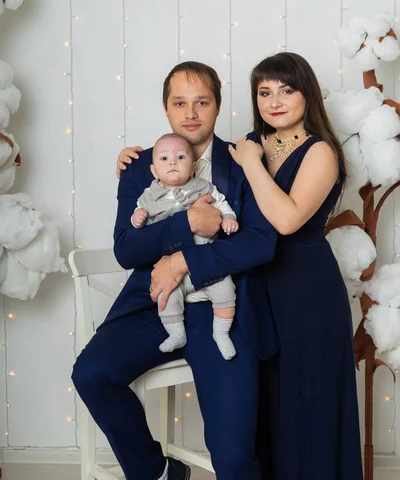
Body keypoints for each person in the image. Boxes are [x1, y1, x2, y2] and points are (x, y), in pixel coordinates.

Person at [72, 61, 279, 480]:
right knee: (91, 374)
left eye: (201, 101)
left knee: (235, 456)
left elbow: (260, 242)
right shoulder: (140, 166)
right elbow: (127, 250)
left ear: (218, 106)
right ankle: (158, 471)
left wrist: (185, 258)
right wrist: (186, 224)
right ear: (166, 108)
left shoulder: (246, 162)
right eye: (179, 102)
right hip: (154, 301)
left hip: (223, 309)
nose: (191, 113)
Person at [227, 52, 363, 480]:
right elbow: (191, 168)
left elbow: (286, 219)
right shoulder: (252, 141)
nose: (274, 100)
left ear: (308, 94)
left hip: (307, 291)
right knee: (265, 405)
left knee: (310, 402)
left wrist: (250, 163)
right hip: (256, 289)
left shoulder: (319, 151)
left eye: (286, 89)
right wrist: (136, 158)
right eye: (264, 92)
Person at [132, 131, 239, 360]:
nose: (172, 162)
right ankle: (176, 333)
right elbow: (137, 221)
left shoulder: (202, 187)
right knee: (166, 295)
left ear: (192, 167)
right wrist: (138, 217)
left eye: (180, 157)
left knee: (225, 289)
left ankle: (221, 333)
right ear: (154, 170)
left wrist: (228, 217)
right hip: (170, 266)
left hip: (205, 259)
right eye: (164, 159)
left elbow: (221, 203)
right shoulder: (149, 196)